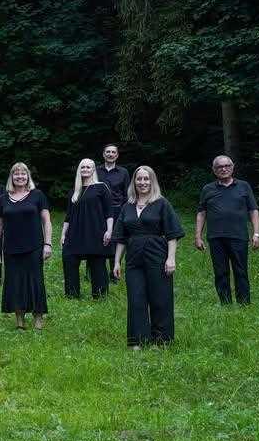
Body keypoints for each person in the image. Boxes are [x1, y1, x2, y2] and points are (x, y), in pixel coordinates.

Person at [113, 166, 184, 348]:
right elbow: (121, 237)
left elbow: (172, 233)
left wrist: (171, 258)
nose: (143, 182)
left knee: (160, 298)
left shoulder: (161, 203)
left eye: (146, 179)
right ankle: (138, 341)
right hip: (134, 257)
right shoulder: (127, 206)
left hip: (157, 254)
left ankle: (161, 341)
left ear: (152, 182)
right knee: (136, 299)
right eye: (139, 179)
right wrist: (116, 262)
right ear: (134, 182)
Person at [0, 162, 52, 330]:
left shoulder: (37, 195)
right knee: (14, 283)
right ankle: (20, 320)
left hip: (34, 247)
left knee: (35, 282)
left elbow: (46, 221)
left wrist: (48, 244)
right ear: (12, 177)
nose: (20, 176)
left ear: (28, 177)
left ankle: (38, 318)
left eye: (23, 174)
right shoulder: (3, 199)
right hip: (11, 249)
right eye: (16, 174)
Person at [194, 154, 259, 304]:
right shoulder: (208, 189)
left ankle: (244, 303)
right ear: (214, 170)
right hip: (216, 237)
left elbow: (253, 210)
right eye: (219, 167)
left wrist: (256, 233)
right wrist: (198, 236)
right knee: (220, 272)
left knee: (241, 271)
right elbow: (201, 213)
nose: (223, 169)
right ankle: (225, 303)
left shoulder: (244, 186)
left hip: (239, 236)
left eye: (227, 166)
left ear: (232, 167)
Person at [60, 159, 113, 299]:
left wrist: (109, 230)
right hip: (75, 232)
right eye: (82, 167)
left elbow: (109, 212)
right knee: (69, 258)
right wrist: (63, 234)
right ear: (79, 170)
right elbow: (68, 216)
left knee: (97, 263)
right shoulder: (74, 191)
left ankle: (100, 295)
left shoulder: (101, 187)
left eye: (88, 167)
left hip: (95, 231)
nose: (85, 169)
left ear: (93, 169)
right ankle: (72, 295)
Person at [98, 144, 130, 279]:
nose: (110, 154)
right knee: (97, 238)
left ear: (117, 155)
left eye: (113, 152)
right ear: (103, 154)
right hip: (98, 210)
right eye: (107, 152)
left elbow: (127, 194)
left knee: (115, 240)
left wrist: (126, 211)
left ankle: (114, 272)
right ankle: (94, 271)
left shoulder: (123, 172)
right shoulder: (95, 171)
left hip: (117, 210)